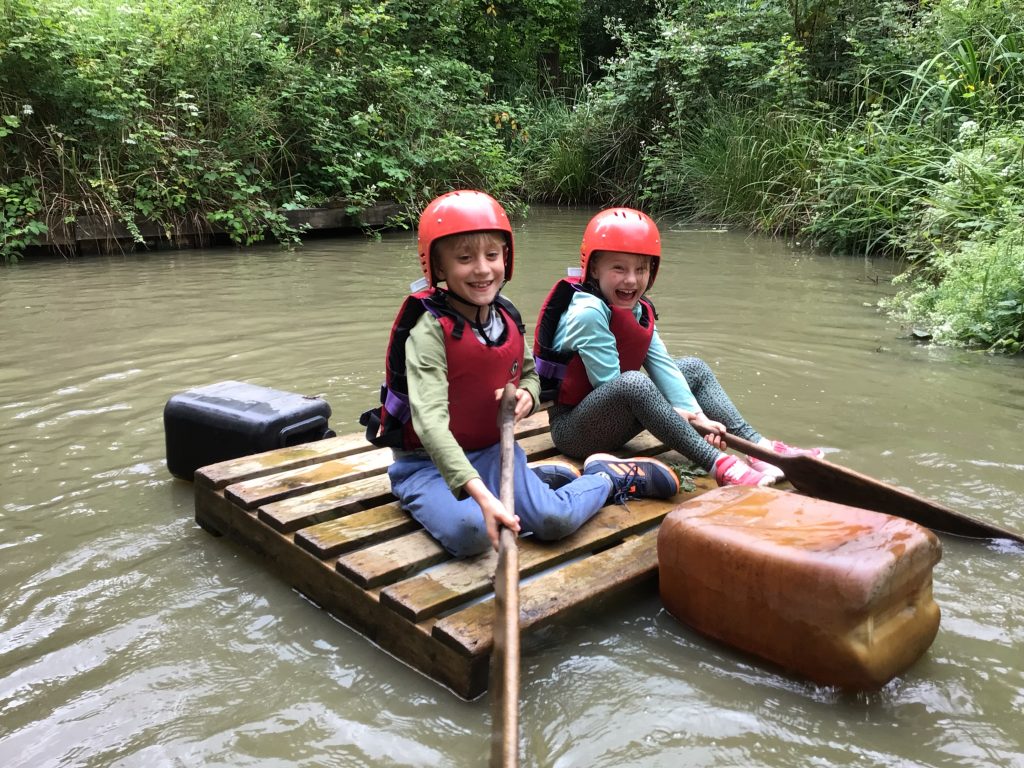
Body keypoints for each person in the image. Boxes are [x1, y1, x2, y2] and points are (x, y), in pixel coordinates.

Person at [360, 191, 681, 558]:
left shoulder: (505, 315)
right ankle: (525, 485)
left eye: (492, 255)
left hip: (495, 451)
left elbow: (528, 374)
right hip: (426, 466)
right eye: (465, 258)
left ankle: (607, 479)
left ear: (505, 259)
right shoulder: (428, 331)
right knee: (473, 534)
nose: (482, 269)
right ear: (438, 266)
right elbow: (430, 423)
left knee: (553, 522)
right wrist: (480, 494)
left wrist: (527, 393)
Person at [533, 207, 823, 487]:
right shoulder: (588, 313)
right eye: (618, 268)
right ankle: (719, 464)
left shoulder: (638, 308)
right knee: (634, 383)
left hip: (616, 412)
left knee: (693, 368)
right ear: (594, 268)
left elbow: (664, 367)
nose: (631, 279)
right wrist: (682, 420)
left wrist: (698, 416)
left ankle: (760, 449)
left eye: (641, 269)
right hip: (575, 431)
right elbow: (612, 386)